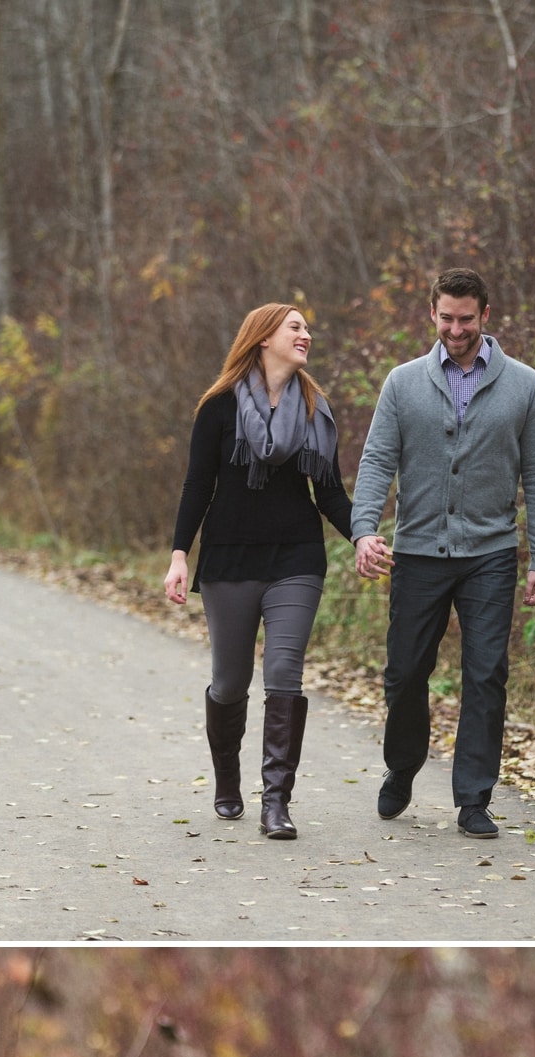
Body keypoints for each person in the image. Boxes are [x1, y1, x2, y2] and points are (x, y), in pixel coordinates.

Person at [348, 268, 535, 840]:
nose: (456, 328)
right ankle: (403, 765)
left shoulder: (525, 385)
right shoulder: (402, 382)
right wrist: (364, 529)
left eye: (466, 319)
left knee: (486, 672)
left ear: (486, 315)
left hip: (491, 553)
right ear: (431, 314)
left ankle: (473, 798)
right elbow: (375, 462)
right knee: (406, 673)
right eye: (447, 317)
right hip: (417, 550)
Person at [166, 304, 354, 838]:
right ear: (263, 336)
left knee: (284, 676)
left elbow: (331, 494)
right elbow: (197, 485)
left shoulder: (317, 408)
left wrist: (361, 533)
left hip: (296, 559)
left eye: (307, 328)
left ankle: (277, 802)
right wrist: (180, 555)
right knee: (230, 683)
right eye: (295, 326)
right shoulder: (218, 408)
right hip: (229, 560)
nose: (306, 335)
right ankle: (229, 779)